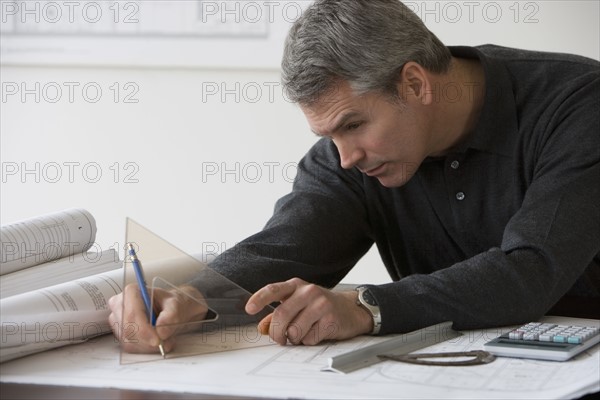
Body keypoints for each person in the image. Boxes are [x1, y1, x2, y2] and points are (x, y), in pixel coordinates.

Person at [109, 0, 600, 352]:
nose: (344, 158)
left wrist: (367, 307)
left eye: (352, 125)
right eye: (328, 136)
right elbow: (291, 243)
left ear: (414, 83)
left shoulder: (580, 105)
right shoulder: (352, 155)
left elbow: (531, 271)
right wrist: (194, 298)